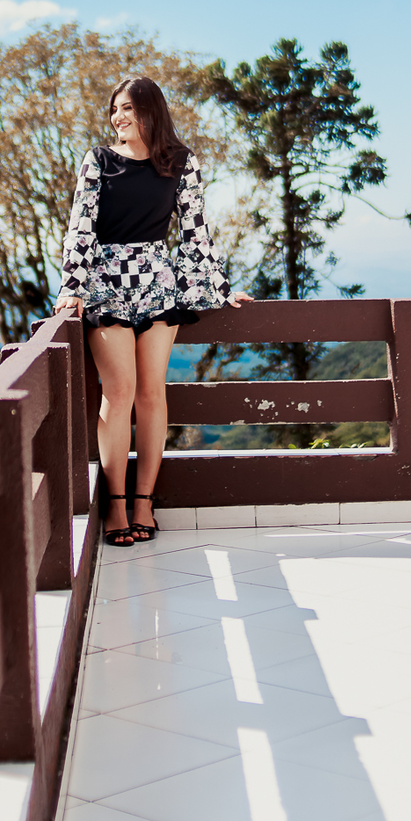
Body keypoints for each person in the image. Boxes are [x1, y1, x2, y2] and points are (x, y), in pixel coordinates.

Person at [54, 76, 253, 546]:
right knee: (119, 390)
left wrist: (219, 289)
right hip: (106, 282)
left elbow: (196, 232)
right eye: (114, 109)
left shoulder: (181, 163)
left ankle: (144, 500)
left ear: (151, 112)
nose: (118, 117)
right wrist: (72, 287)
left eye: (127, 108)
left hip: (158, 285)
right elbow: (80, 228)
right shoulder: (98, 161)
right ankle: (116, 504)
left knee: (152, 393)